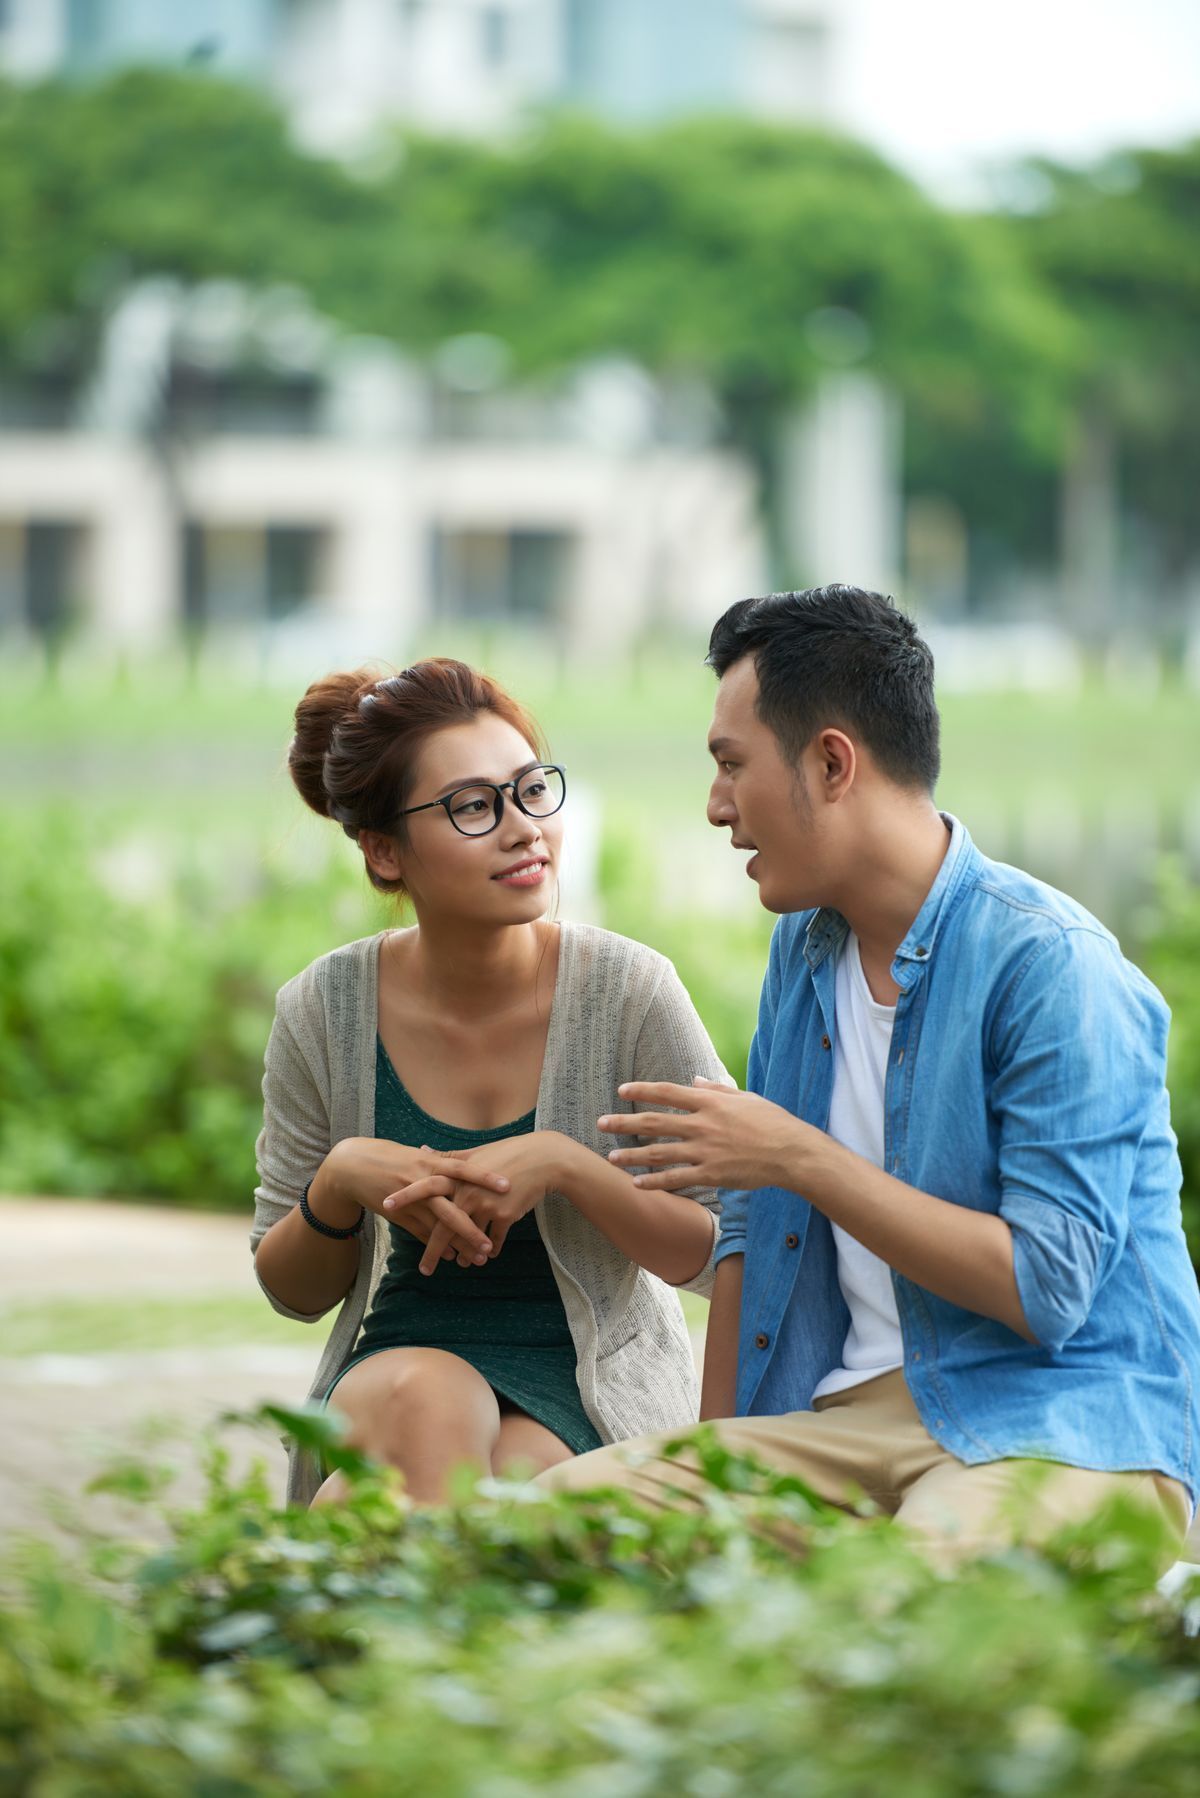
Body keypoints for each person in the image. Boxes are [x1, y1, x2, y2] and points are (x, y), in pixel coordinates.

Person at [542, 585, 1200, 1568]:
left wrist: (798, 1158)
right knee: (551, 1516)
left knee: (919, 1582)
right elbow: (746, 1230)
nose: (717, 807)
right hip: (847, 1427)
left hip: (1062, 1420)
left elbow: (1048, 1286)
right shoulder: (805, 951)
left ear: (832, 761)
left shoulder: (1053, 966)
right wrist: (707, 1468)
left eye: (732, 766)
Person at [251, 658, 727, 1508]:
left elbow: (724, 1249)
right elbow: (292, 1290)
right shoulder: (322, 1009)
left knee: (464, 1500)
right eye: (473, 806)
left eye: (531, 790)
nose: (524, 829)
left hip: (586, 1376)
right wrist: (341, 1179)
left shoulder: (628, 992)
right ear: (385, 850)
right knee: (432, 1403)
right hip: (398, 1362)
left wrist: (567, 1165)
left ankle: (342, 1613)